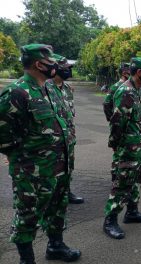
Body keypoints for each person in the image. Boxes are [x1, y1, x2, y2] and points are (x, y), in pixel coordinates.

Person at [0, 44, 81, 263]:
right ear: (39, 64)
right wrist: (22, 160)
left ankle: (55, 246)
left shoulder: (51, 88)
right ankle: (27, 260)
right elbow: (4, 136)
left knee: (57, 208)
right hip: (32, 172)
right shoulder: (16, 93)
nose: (56, 66)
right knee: (28, 216)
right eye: (51, 62)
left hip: (60, 166)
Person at [103, 57, 141, 240]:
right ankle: (110, 220)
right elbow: (117, 123)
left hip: (137, 146)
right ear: (139, 72)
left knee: (136, 180)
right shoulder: (126, 91)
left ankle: (132, 212)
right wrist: (117, 146)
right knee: (122, 183)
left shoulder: (135, 90)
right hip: (127, 148)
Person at [48, 54, 84, 204]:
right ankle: (51, 197)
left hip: (68, 137)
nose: (68, 71)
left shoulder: (67, 88)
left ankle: (66, 192)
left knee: (68, 166)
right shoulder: (45, 88)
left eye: (69, 68)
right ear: (54, 69)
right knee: (52, 169)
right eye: (64, 69)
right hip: (52, 140)